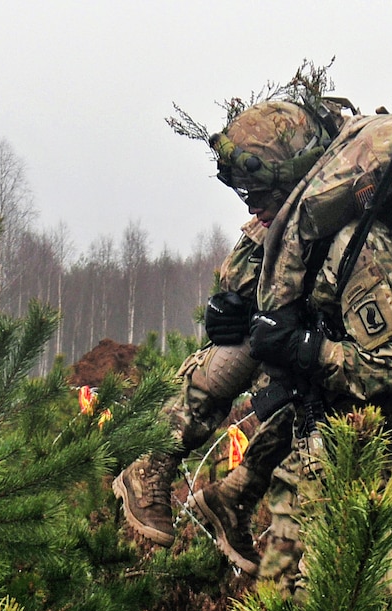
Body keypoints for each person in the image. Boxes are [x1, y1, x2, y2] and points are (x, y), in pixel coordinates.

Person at [188, 99, 392, 587]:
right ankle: (203, 478)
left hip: (384, 338)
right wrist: (257, 303)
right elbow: (292, 223)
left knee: (355, 530)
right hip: (339, 274)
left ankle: (252, 504)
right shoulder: (369, 157)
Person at [111, 99, 345, 552]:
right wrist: (234, 301)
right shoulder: (283, 206)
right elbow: (245, 262)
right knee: (249, 340)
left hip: (344, 335)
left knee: (326, 388)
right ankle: (153, 460)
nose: (254, 206)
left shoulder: (345, 200)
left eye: (262, 194)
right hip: (299, 325)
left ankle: (237, 494)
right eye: (246, 195)